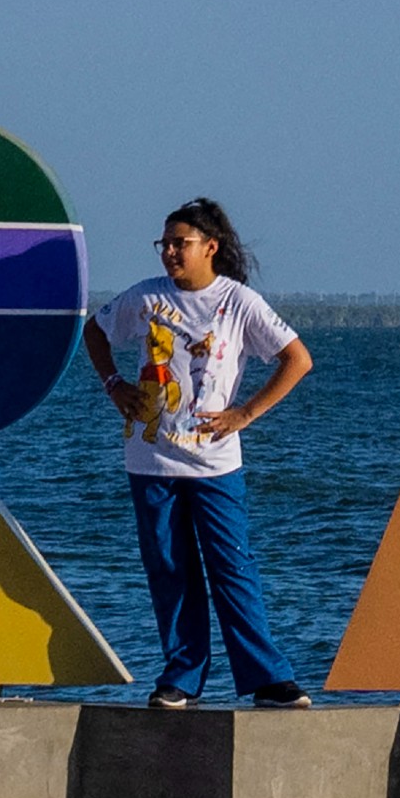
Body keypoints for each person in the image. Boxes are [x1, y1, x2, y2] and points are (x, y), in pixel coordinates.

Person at [82, 197, 315, 709]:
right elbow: (94, 331)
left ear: (210, 247)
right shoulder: (143, 298)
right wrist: (114, 383)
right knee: (170, 568)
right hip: (151, 459)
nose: (169, 253)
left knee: (232, 567)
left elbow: (297, 359)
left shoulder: (239, 303)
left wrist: (244, 414)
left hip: (215, 463)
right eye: (164, 244)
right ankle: (181, 677)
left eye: (179, 244)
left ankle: (268, 678)